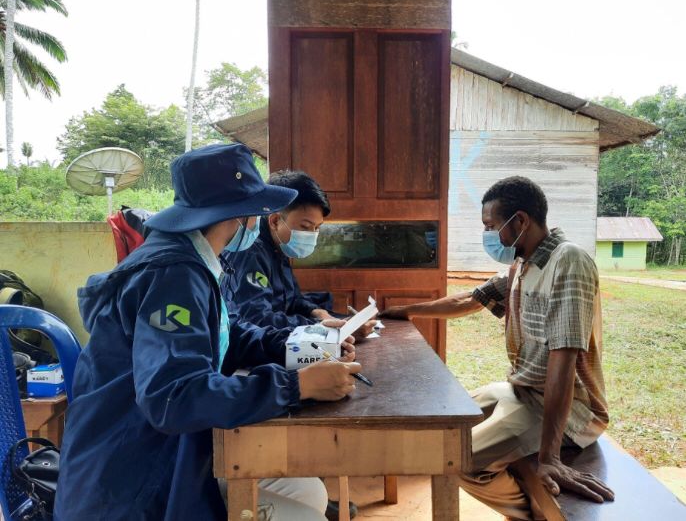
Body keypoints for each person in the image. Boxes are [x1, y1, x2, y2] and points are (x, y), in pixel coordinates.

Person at [54, 144, 362, 521]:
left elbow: (226, 338)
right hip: (134, 482)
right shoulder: (173, 275)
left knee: (306, 490)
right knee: (302, 511)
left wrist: (308, 349)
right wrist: (297, 386)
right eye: (257, 211)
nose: (258, 222)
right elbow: (174, 397)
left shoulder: (194, 261)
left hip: (171, 452)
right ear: (238, 214)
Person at [380, 176, 614, 520]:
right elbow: (469, 300)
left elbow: (563, 360)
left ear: (520, 221)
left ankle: (531, 514)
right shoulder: (523, 263)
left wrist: (549, 458)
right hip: (520, 391)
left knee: (458, 462)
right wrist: (407, 311)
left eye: (491, 226)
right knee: (443, 428)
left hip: (570, 410)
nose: (489, 235)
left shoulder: (568, 261)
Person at [221, 170, 376, 338]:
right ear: (275, 221)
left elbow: (291, 300)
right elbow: (257, 318)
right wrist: (320, 327)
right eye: (305, 226)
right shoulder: (250, 253)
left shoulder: (279, 247)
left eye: (317, 228)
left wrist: (317, 312)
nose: (312, 235)